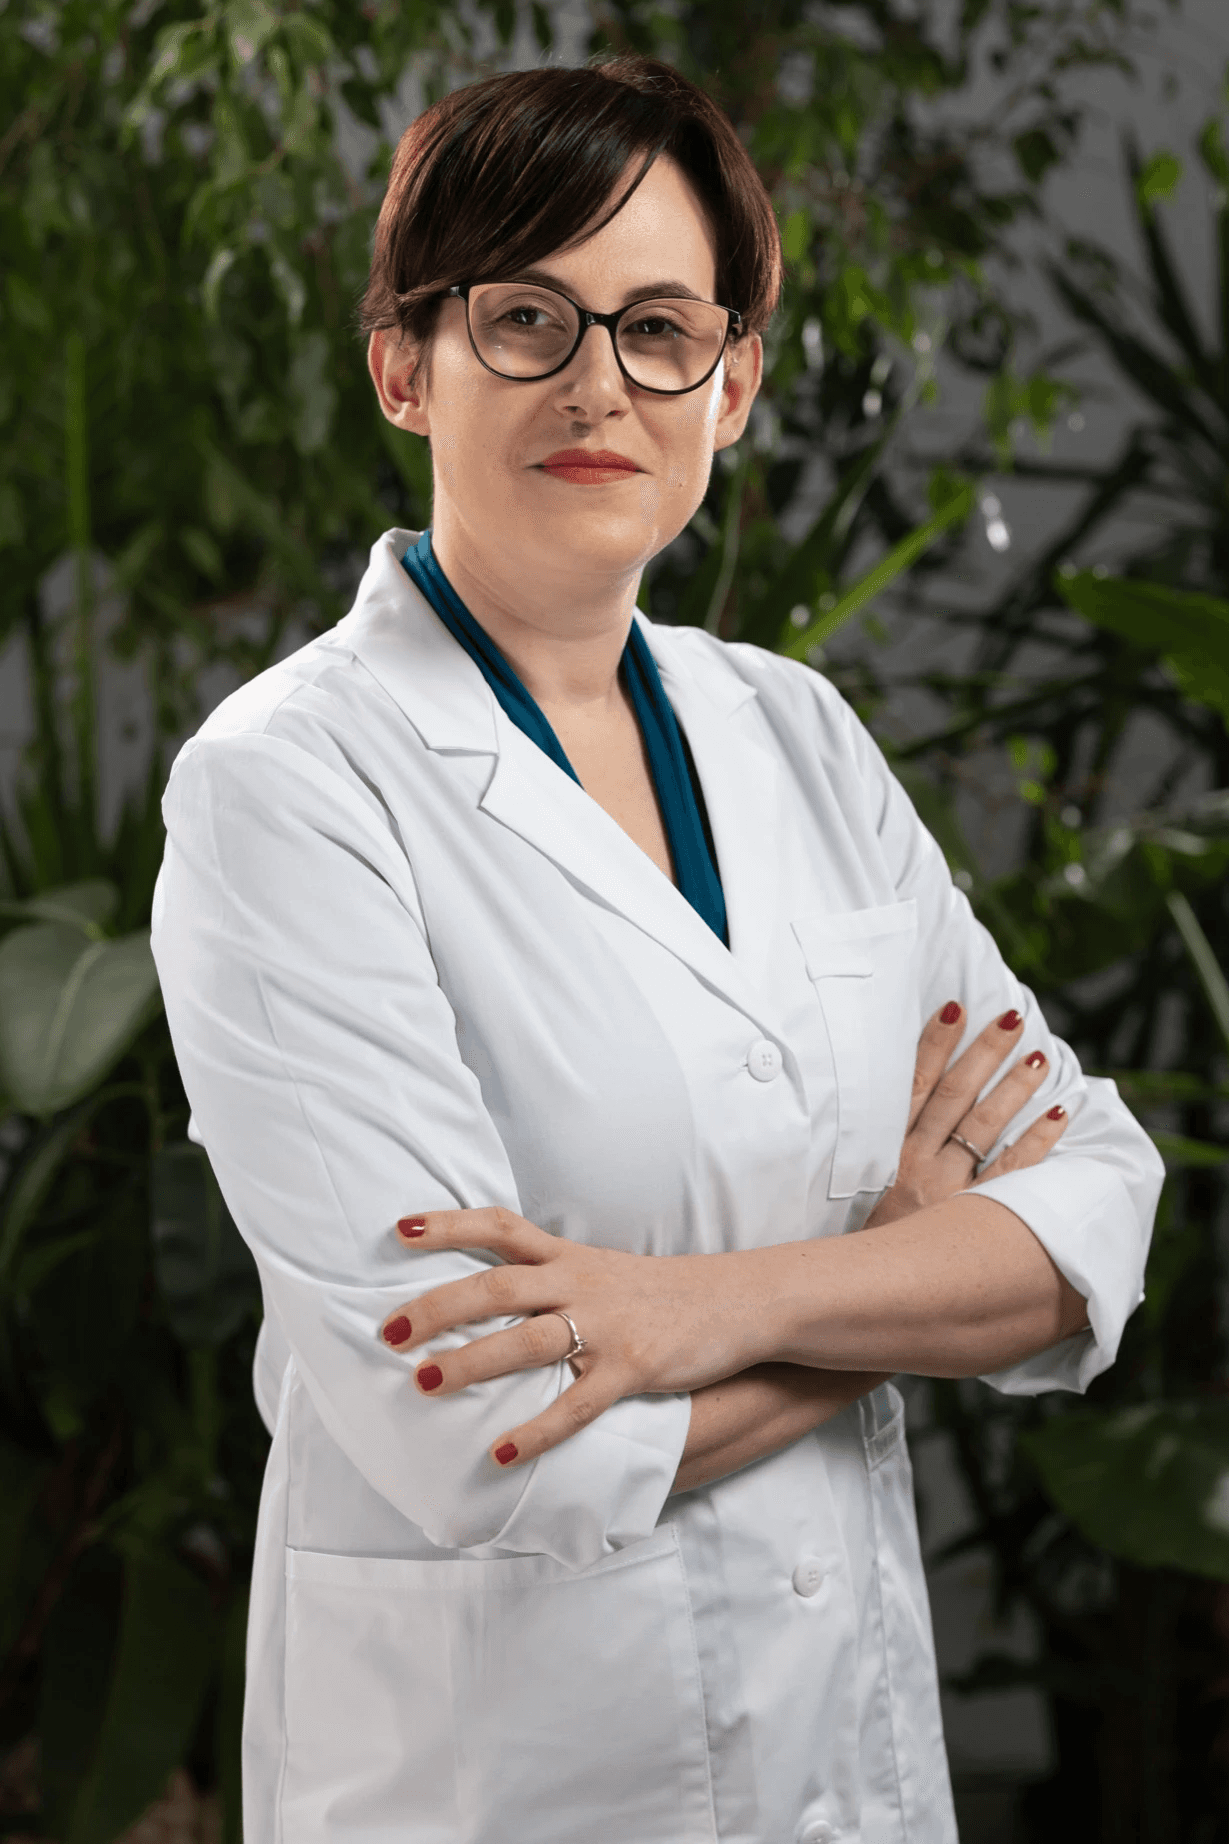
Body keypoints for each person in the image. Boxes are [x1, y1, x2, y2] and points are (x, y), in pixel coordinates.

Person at [150, 54, 1163, 1844]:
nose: (599, 383)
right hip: (506, 1786)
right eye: (526, 317)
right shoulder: (287, 789)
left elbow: (1090, 1212)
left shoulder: (796, 735)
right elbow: (486, 1422)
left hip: (845, 1771)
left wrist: (694, 1308)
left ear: (735, 381)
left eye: (661, 327)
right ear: (406, 363)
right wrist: (904, 1283)